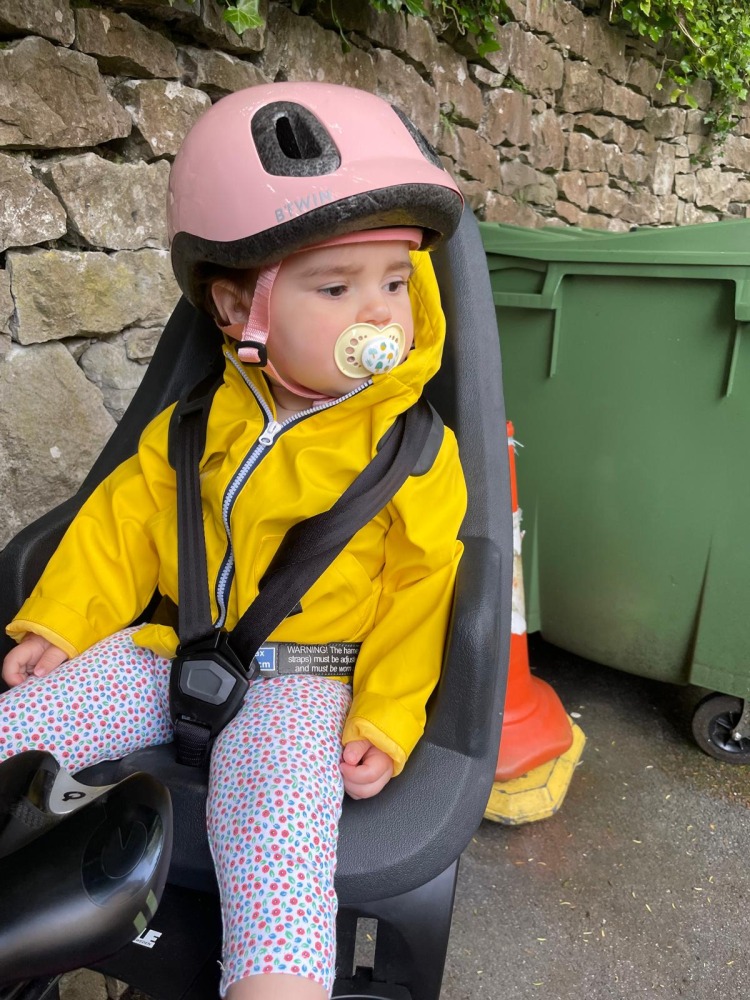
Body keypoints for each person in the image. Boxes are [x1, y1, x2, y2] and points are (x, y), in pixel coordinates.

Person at [1, 82, 466, 999]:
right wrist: (58, 625)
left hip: (307, 686)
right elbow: (122, 529)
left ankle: (275, 984)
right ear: (234, 311)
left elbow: (427, 587)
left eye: (395, 283)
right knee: (19, 725)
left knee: (278, 850)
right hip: (168, 651)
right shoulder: (196, 425)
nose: (379, 314)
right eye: (336, 287)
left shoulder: (413, 452)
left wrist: (386, 713)